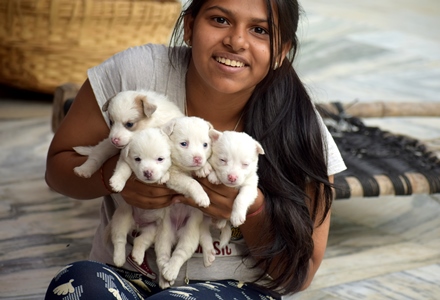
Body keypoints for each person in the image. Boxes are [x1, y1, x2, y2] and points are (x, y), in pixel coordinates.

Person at [44, 0, 346, 298]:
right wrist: (115, 176)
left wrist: (251, 209)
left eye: (259, 30)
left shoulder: (300, 125)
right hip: (124, 276)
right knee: (75, 284)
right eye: (220, 20)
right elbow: (58, 167)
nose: (236, 41)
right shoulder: (136, 76)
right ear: (189, 26)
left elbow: (302, 272)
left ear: (282, 52)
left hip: (236, 288)